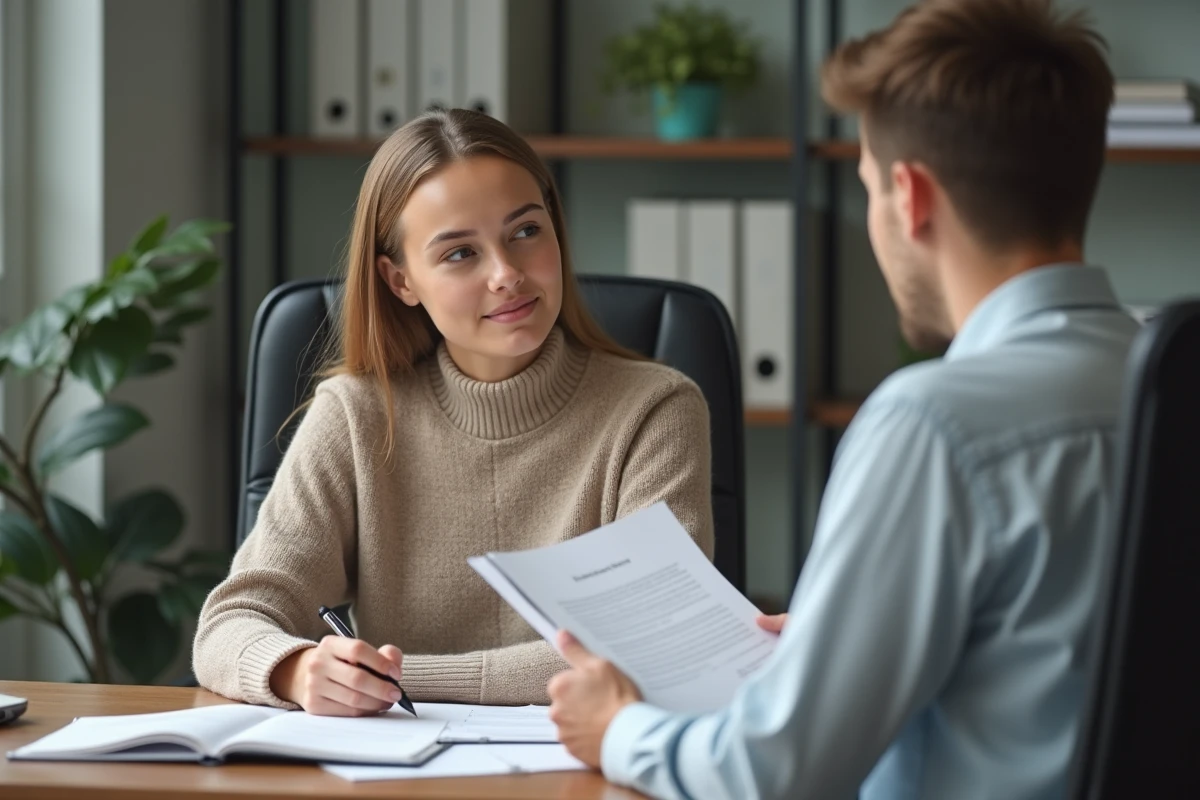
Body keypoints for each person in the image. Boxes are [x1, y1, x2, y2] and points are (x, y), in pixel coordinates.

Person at [547, 0, 1138, 797]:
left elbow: (775, 775)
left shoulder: (934, 424)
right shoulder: (1164, 384)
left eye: (868, 189)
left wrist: (618, 728)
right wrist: (847, 644)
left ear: (912, 196)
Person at [193, 109, 714, 715]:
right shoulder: (356, 415)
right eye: (461, 253)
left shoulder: (655, 410)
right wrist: (295, 668)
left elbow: (652, 643)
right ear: (400, 280)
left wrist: (393, 678)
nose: (507, 275)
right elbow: (231, 624)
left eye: (525, 232)